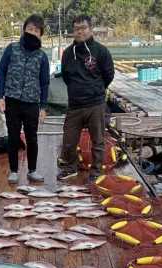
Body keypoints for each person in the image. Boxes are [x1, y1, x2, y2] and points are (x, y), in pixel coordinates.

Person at [57, 15, 115, 183]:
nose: (80, 31)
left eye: (83, 28)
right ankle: (70, 168)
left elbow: (108, 75)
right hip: (74, 105)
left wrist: (95, 89)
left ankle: (96, 171)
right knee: (68, 141)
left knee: (98, 141)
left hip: (95, 104)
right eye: (76, 29)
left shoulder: (101, 51)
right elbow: (66, 76)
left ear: (90, 29)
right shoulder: (68, 53)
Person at [0, 14, 50, 184]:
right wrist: (0, 97)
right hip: (12, 100)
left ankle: (32, 170)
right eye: (30, 29)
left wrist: (43, 107)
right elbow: (2, 72)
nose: (32, 32)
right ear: (24, 29)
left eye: (36, 30)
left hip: (32, 103)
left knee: (32, 137)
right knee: (13, 137)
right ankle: (13, 170)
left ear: (40, 34)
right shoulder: (11, 49)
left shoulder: (42, 57)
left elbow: (45, 82)